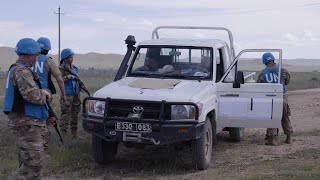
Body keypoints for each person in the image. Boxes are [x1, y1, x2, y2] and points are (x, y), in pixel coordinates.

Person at [3, 38, 55, 179]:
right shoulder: (22, 71)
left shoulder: (18, 69)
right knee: (33, 168)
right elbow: (32, 96)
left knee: (27, 163)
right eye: (36, 55)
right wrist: (46, 94)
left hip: (26, 122)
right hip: (27, 122)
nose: (37, 58)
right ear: (30, 55)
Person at [33, 37, 66, 150]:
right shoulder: (48, 60)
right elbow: (60, 79)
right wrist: (63, 95)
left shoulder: (30, 59)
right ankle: (43, 146)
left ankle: (33, 142)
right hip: (44, 94)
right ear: (48, 49)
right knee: (47, 118)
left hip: (30, 93)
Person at [257, 52, 293, 146]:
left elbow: (258, 86)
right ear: (273, 59)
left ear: (264, 61)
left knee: (272, 118)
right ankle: (289, 138)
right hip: (282, 97)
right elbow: (287, 82)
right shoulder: (283, 70)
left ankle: (272, 139)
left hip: (270, 98)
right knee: (285, 117)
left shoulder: (262, 73)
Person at [59, 48, 81, 138]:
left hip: (76, 94)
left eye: (72, 57)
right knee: (65, 114)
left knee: (75, 113)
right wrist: (69, 77)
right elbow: (60, 80)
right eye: (70, 57)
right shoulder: (61, 69)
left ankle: (74, 134)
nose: (72, 58)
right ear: (65, 58)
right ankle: (63, 135)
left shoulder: (75, 68)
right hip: (67, 94)